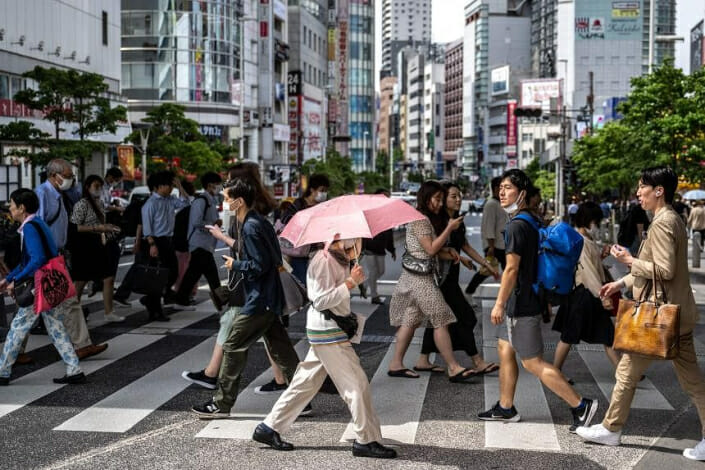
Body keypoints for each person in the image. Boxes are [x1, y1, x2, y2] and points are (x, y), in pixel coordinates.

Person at [577, 167, 705, 461]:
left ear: (659, 190)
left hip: (658, 318)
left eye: (642, 187)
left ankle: (611, 429)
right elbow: (654, 271)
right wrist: (620, 282)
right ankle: (611, 428)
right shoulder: (669, 219)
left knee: (628, 371)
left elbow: (663, 270)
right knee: (690, 381)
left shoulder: (662, 223)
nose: (638, 193)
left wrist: (628, 259)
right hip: (674, 314)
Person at [252, 237, 397, 459]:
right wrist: (350, 283)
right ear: (340, 236)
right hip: (328, 332)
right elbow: (319, 300)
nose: (359, 241)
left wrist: (351, 277)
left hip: (327, 330)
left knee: (304, 384)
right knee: (356, 385)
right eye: (356, 237)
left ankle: (269, 427)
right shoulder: (324, 259)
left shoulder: (339, 258)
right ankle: (365, 440)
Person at [478, 169, 598, 433]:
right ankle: (506, 407)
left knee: (532, 362)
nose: (502, 192)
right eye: (500, 188)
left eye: (508, 188)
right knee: (504, 348)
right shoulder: (529, 220)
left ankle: (581, 406)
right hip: (527, 297)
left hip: (522, 302)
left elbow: (511, 269)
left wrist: (499, 303)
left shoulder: (516, 226)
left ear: (521, 193)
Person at [191, 179, 300, 418]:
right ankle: (303, 399)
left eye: (226, 198)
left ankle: (221, 404)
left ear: (238, 202)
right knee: (282, 350)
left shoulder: (250, 226)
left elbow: (259, 264)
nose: (224, 203)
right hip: (268, 296)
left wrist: (235, 264)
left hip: (259, 299)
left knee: (232, 345)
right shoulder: (258, 222)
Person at [387, 180, 475, 381]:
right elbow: (430, 249)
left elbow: (431, 251)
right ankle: (453, 367)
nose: (439, 203)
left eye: (441, 199)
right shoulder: (420, 220)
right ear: (426, 198)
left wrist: (455, 255)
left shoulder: (424, 219)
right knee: (441, 318)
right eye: (437, 199)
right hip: (420, 281)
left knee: (410, 321)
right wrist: (449, 228)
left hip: (417, 276)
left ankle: (396, 364)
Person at [0, 189, 85, 385]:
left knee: (18, 327)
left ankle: (3, 371)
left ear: (21, 207)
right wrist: (10, 277)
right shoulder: (38, 223)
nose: (10, 208)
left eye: (12, 204)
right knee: (56, 327)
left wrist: (16, 280)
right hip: (49, 284)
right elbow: (32, 258)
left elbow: (36, 259)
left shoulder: (29, 228)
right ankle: (74, 369)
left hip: (38, 287)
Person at [415, 181, 500, 375]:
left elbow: (466, 246)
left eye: (459, 195)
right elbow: (432, 250)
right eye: (453, 196)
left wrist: (486, 264)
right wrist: (456, 254)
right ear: (444, 199)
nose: (458, 199)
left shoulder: (458, 222)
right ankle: (477, 361)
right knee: (465, 317)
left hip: (450, 278)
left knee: (438, 320)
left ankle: (422, 359)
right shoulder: (438, 222)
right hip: (439, 279)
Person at [35, 159, 107, 360]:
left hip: (57, 255)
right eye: (66, 176)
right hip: (45, 256)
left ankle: (82, 344)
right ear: (53, 175)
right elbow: (36, 227)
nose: (70, 179)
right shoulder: (42, 194)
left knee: (69, 300)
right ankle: (13, 353)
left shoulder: (62, 194)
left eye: (71, 176)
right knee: (32, 308)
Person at [552, 202, 619, 377]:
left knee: (606, 335)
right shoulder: (580, 240)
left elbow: (589, 265)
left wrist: (601, 255)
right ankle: (554, 372)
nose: (597, 225)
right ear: (590, 220)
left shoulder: (582, 238)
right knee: (570, 336)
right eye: (596, 221)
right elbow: (588, 272)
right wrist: (603, 296)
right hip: (584, 295)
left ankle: (623, 374)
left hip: (584, 294)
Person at [70, 175, 124, 322]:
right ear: (87, 187)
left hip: (99, 243)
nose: (99, 189)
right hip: (84, 245)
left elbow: (102, 224)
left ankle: (109, 312)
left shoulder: (100, 203)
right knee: (81, 280)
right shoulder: (81, 204)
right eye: (96, 186)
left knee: (108, 277)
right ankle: (73, 312)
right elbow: (75, 227)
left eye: (100, 186)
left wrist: (106, 230)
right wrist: (97, 228)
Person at [139, 171, 190, 321]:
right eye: (166, 185)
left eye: (170, 185)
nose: (169, 188)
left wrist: (180, 186)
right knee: (157, 277)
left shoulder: (170, 200)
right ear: (157, 187)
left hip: (168, 240)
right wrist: (152, 244)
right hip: (156, 241)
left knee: (172, 273)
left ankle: (152, 301)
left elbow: (186, 202)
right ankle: (155, 309)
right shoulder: (150, 204)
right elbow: (147, 227)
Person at [172, 172, 224, 309]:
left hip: (204, 245)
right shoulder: (201, 201)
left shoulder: (210, 200)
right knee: (212, 277)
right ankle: (222, 305)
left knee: (193, 275)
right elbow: (196, 222)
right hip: (200, 244)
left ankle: (180, 299)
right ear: (210, 185)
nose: (220, 187)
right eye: (218, 184)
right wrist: (213, 225)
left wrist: (214, 224)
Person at [280, 174, 330, 284]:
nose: (324, 194)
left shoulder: (324, 206)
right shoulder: (299, 204)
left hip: (318, 252)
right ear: (312, 189)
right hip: (299, 252)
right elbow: (285, 220)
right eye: (322, 190)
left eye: (326, 190)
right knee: (301, 283)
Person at [466, 177, 508, 298]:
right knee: (487, 271)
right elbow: (489, 226)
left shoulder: (500, 203)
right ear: (496, 188)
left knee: (504, 270)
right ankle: (469, 291)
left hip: (502, 244)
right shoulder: (491, 204)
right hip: (495, 245)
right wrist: (491, 246)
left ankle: (509, 295)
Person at [361, 188, 396, 304]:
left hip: (381, 248)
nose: (387, 199)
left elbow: (389, 233)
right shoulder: (369, 211)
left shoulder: (388, 213)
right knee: (373, 271)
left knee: (381, 271)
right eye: (385, 196)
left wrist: (392, 250)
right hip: (369, 246)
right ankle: (374, 296)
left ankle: (365, 285)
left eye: (388, 197)